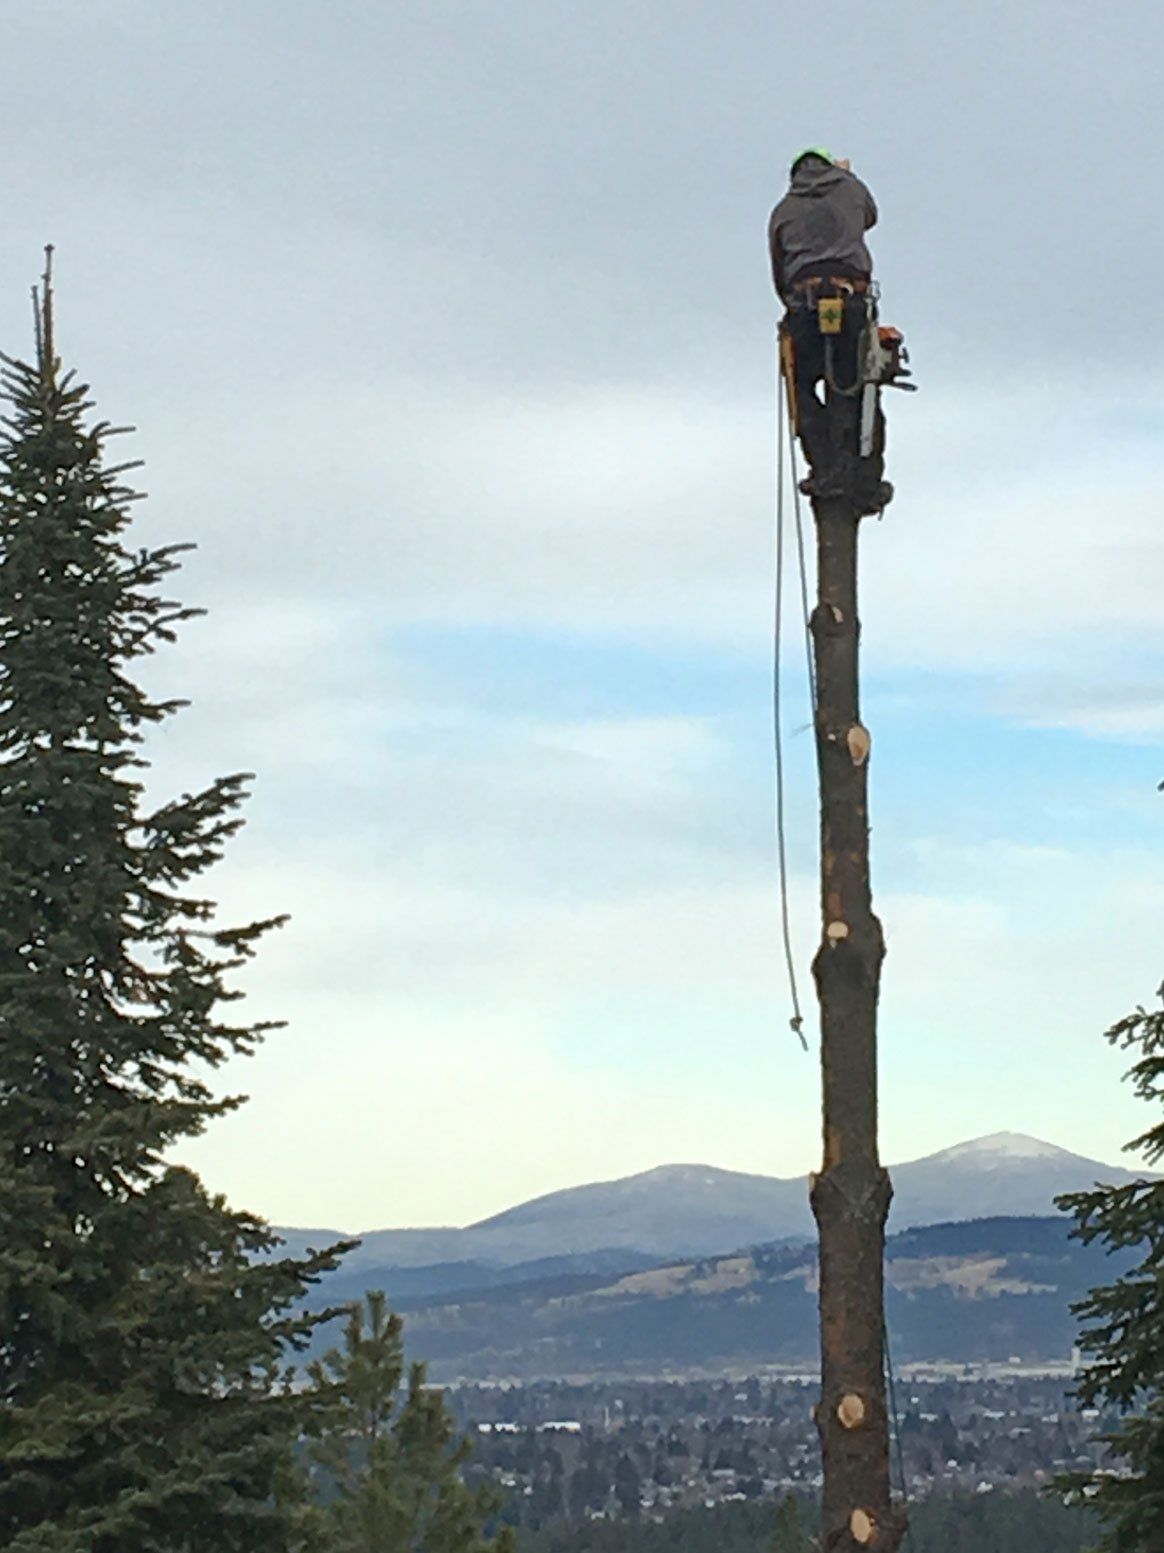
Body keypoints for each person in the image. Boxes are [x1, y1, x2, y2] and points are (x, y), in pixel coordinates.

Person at [768, 149, 891, 513]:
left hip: (804, 304)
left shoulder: (783, 210)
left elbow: (779, 269)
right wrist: (846, 178)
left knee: (803, 386)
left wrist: (792, 304)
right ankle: (863, 480)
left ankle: (826, 468)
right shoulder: (851, 190)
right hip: (849, 297)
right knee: (856, 388)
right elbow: (870, 216)